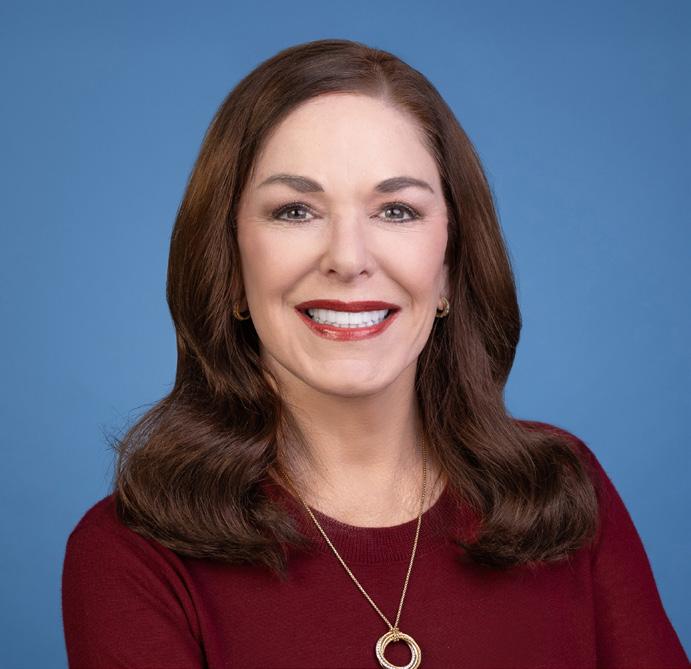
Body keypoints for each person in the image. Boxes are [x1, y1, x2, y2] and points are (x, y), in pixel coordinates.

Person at [61, 38, 688, 669]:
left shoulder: (561, 490)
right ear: (229, 263)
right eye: (295, 211)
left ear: (450, 265)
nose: (349, 258)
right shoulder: (131, 555)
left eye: (396, 210)